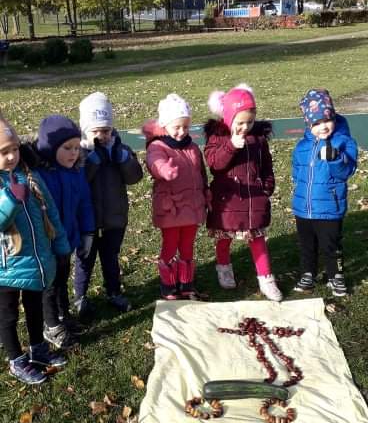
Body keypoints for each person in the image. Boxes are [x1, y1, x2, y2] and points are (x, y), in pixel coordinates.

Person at [0, 113, 70, 385]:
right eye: (4, 152)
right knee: (7, 315)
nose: (11, 157)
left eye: (15, 149)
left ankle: (38, 348)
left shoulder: (30, 176)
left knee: (35, 307)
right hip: (6, 267)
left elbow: (50, 211)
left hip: (36, 261)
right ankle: (16, 359)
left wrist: (61, 244)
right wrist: (9, 201)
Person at [204, 83, 282, 301]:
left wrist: (267, 187)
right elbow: (214, 165)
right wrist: (231, 146)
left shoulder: (257, 140)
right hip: (227, 201)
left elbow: (266, 165)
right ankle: (224, 268)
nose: (245, 127)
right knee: (224, 238)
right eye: (240, 123)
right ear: (228, 119)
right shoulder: (217, 138)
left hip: (253, 200)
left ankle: (266, 278)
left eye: (250, 122)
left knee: (258, 240)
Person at [74, 92, 143, 315]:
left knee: (110, 257)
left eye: (106, 130)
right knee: (85, 259)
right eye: (96, 131)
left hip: (114, 217)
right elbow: (77, 182)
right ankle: (80, 297)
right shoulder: (78, 153)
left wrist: (123, 160)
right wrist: (91, 162)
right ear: (85, 129)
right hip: (87, 221)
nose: (102, 136)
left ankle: (113, 292)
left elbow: (135, 178)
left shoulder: (120, 149)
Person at [35, 115, 95, 348]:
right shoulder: (40, 175)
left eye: (77, 147)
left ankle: (63, 315)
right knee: (49, 286)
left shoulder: (76, 171)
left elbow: (85, 203)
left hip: (67, 239)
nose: (73, 153)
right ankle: (51, 326)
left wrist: (88, 231)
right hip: (46, 243)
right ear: (51, 148)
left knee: (61, 279)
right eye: (67, 148)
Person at [293, 88, 358, 297]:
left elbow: (346, 171)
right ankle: (308, 274)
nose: (323, 127)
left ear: (333, 116)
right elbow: (297, 171)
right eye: (316, 123)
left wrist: (335, 159)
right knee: (306, 245)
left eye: (326, 120)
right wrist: (300, 190)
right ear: (308, 124)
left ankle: (335, 276)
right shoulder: (302, 146)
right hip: (304, 208)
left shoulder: (343, 142)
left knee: (330, 244)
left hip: (330, 207)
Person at [143, 93, 209, 299]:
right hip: (171, 207)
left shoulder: (192, 147)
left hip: (192, 206)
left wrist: (207, 192)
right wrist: (164, 170)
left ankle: (186, 282)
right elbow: (154, 162)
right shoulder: (158, 146)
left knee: (188, 244)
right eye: (176, 127)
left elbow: (201, 173)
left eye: (186, 127)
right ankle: (168, 285)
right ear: (165, 126)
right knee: (170, 244)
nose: (181, 132)